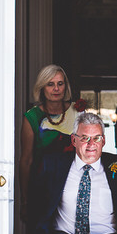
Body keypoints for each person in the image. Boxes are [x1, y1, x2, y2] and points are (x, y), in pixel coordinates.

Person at [20, 64, 80, 202]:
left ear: (66, 86)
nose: (56, 89)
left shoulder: (77, 111)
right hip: (42, 189)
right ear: (42, 87)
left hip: (72, 186)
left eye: (60, 83)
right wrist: (24, 199)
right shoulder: (32, 117)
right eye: (50, 84)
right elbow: (26, 161)